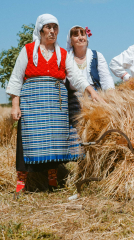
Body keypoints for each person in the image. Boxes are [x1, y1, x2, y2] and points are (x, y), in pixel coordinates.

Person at [6, 14, 102, 194]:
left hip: (55, 105)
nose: (52, 31)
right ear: (40, 30)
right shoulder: (27, 50)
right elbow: (16, 79)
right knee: (28, 141)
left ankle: (52, 182)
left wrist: (92, 91)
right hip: (31, 103)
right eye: (48, 28)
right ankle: (21, 184)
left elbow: (75, 76)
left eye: (55, 28)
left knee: (55, 141)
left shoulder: (62, 54)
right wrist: (15, 105)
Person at [65, 25, 115, 154]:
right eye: (76, 35)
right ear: (71, 41)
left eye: (83, 34)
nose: (80, 37)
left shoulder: (96, 56)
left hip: (95, 96)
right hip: (74, 99)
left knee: (97, 131)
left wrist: (111, 95)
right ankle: (77, 160)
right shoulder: (66, 58)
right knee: (76, 133)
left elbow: (106, 78)